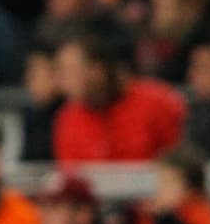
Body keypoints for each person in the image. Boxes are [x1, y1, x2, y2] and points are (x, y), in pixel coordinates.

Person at [53, 29, 186, 162]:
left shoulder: (157, 103)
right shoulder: (68, 118)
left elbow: (179, 166)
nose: (61, 82)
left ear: (97, 71)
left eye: (69, 71)